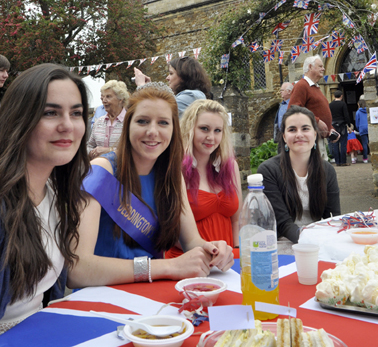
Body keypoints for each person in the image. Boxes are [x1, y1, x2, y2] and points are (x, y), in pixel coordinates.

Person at [68, 83, 233, 289]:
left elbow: (191, 242)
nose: (152, 132)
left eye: (163, 123)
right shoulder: (101, 171)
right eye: (143, 121)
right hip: (99, 298)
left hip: (150, 293)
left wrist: (214, 250)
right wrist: (167, 267)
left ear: (174, 130)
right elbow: (77, 270)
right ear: (128, 125)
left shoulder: (171, 176)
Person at [0, 64, 90, 333]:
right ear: (20, 118)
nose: (67, 125)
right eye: (50, 113)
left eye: (76, 113)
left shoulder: (55, 191)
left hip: (42, 330)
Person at [166, 100, 242, 259]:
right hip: (188, 259)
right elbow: (168, 229)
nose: (211, 137)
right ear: (189, 129)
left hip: (225, 261)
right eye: (204, 129)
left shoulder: (230, 167)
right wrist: (210, 252)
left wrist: (236, 255)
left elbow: (237, 220)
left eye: (217, 130)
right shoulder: (174, 169)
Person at [258, 105, 340, 244]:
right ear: (284, 137)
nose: (299, 134)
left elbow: (333, 217)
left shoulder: (327, 170)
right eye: (292, 130)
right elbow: (282, 223)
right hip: (282, 242)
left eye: (305, 128)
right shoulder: (268, 171)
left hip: (319, 240)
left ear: (315, 134)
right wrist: (309, 240)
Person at [288, 55, 333, 160]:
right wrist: (316, 121)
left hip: (318, 137)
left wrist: (330, 129)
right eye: (320, 66)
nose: (323, 68)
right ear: (310, 67)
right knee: (313, 170)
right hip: (309, 138)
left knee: (321, 170)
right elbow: (293, 109)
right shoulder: (301, 85)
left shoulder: (315, 87)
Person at [134, 56, 212, 117]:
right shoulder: (192, 95)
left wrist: (142, 86)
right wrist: (149, 88)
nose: (167, 78)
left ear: (183, 76)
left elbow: (158, 112)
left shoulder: (191, 96)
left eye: (171, 73)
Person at [87, 80, 130, 160]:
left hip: (122, 170)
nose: (104, 100)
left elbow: (133, 151)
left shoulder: (130, 122)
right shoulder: (99, 122)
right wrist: (92, 152)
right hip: (100, 169)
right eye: (103, 97)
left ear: (120, 99)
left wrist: (109, 151)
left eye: (108, 97)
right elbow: (89, 146)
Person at [329, 90, 351, 166]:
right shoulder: (343, 104)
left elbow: (329, 116)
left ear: (334, 96)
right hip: (342, 126)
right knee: (343, 144)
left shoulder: (330, 105)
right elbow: (346, 116)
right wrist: (349, 125)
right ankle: (343, 161)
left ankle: (337, 162)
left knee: (335, 144)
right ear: (341, 96)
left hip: (333, 126)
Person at [355, 98, 369, 163]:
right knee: (370, 143)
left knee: (364, 144)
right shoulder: (368, 111)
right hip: (369, 128)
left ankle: (365, 158)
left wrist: (359, 128)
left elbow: (357, 122)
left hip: (362, 128)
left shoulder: (358, 112)